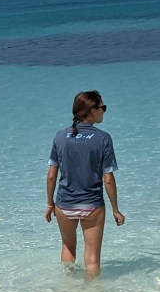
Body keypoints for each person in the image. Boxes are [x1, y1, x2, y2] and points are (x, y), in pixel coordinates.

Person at [44, 90, 124, 277]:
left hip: (64, 204)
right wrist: (115, 209)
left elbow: (51, 175)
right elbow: (108, 179)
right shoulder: (103, 138)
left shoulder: (60, 136)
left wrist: (49, 204)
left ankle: (67, 288)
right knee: (92, 260)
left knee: (68, 247)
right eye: (103, 107)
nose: (104, 111)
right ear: (92, 110)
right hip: (92, 206)